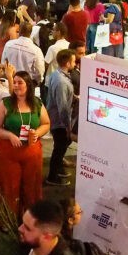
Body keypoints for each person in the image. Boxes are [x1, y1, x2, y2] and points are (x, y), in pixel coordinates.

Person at [0, 70, 51, 218]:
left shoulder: (37, 103)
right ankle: (9, 220)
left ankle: (31, 219)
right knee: (10, 187)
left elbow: (46, 124)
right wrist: (9, 135)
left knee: (31, 187)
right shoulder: (6, 103)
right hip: (9, 154)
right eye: (15, 82)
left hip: (31, 153)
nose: (16, 85)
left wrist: (37, 133)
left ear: (28, 85)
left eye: (20, 83)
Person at [46, 49, 77, 187]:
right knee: (60, 148)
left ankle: (58, 170)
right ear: (67, 63)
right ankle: (53, 177)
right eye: (73, 61)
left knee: (61, 146)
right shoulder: (61, 82)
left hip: (56, 118)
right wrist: (67, 126)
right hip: (59, 121)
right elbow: (63, 107)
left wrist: (74, 97)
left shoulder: (57, 74)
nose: (75, 64)